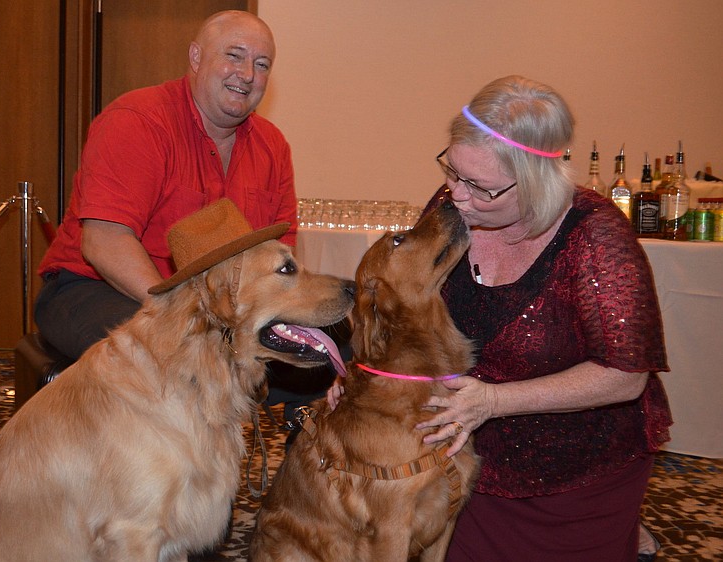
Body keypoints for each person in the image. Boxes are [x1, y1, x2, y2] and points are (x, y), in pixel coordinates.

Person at [331, 75, 672, 561]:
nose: (458, 195)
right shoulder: (455, 206)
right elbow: (400, 308)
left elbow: (625, 377)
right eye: (452, 171)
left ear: (537, 181)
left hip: (573, 472)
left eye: (480, 187)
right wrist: (359, 377)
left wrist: (491, 400)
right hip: (466, 462)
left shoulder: (597, 238)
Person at [35, 10, 297, 359]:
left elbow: (281, 256)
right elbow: (104, 243)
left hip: (216, 310)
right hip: (94, 288)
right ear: (196, 56)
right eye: (234, 56)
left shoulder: (273, 146)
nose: (247, 75)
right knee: (186, 353)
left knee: (329, 345)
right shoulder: (137, 121)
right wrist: (188, 316)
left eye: (262, 65)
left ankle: (299, 415)